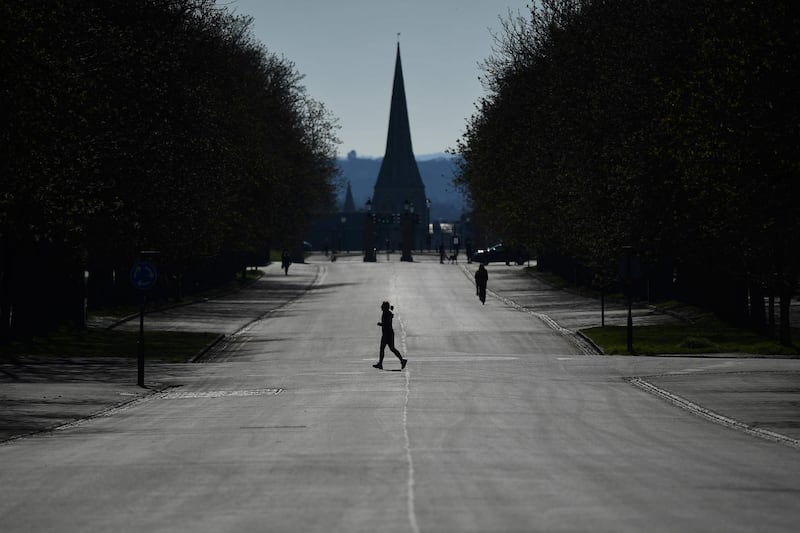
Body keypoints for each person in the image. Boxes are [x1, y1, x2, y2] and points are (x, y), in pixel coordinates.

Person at [373, 301, 407, 370]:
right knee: (390, 348)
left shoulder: (387, 313)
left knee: (385, 348)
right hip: (387, 333)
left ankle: (381, 363)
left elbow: (387, 324)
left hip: (387, 334)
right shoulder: (386, 312)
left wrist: (381, 324)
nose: (381, 307)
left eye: (382, 306)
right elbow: (391, 313)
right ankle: (402, 360)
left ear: (385, 307)